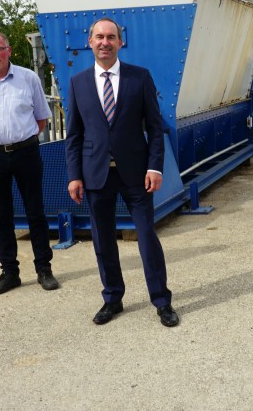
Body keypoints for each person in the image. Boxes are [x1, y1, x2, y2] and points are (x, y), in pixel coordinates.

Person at [65, 17, 178, 327]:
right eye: (99, 37)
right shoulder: (78, 83)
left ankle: (161, 301)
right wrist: (74, 175)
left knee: (146, 237)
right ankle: (112, 299)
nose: (105, 42)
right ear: (90, 42)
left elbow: (155, 128)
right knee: (102, 239)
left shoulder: (139, 78)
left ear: (120, 42)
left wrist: (155, 167)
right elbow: (73, 135)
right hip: (95, 175)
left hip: (136, 174)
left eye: (111, 37)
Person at [0, 30, 59, 295]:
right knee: (2, 216)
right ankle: (10, 272)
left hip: (26, 153)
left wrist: (20, 139)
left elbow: (41, 118)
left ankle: (44, 269)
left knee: (35, 212)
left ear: (9, 50)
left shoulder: (28, 79)